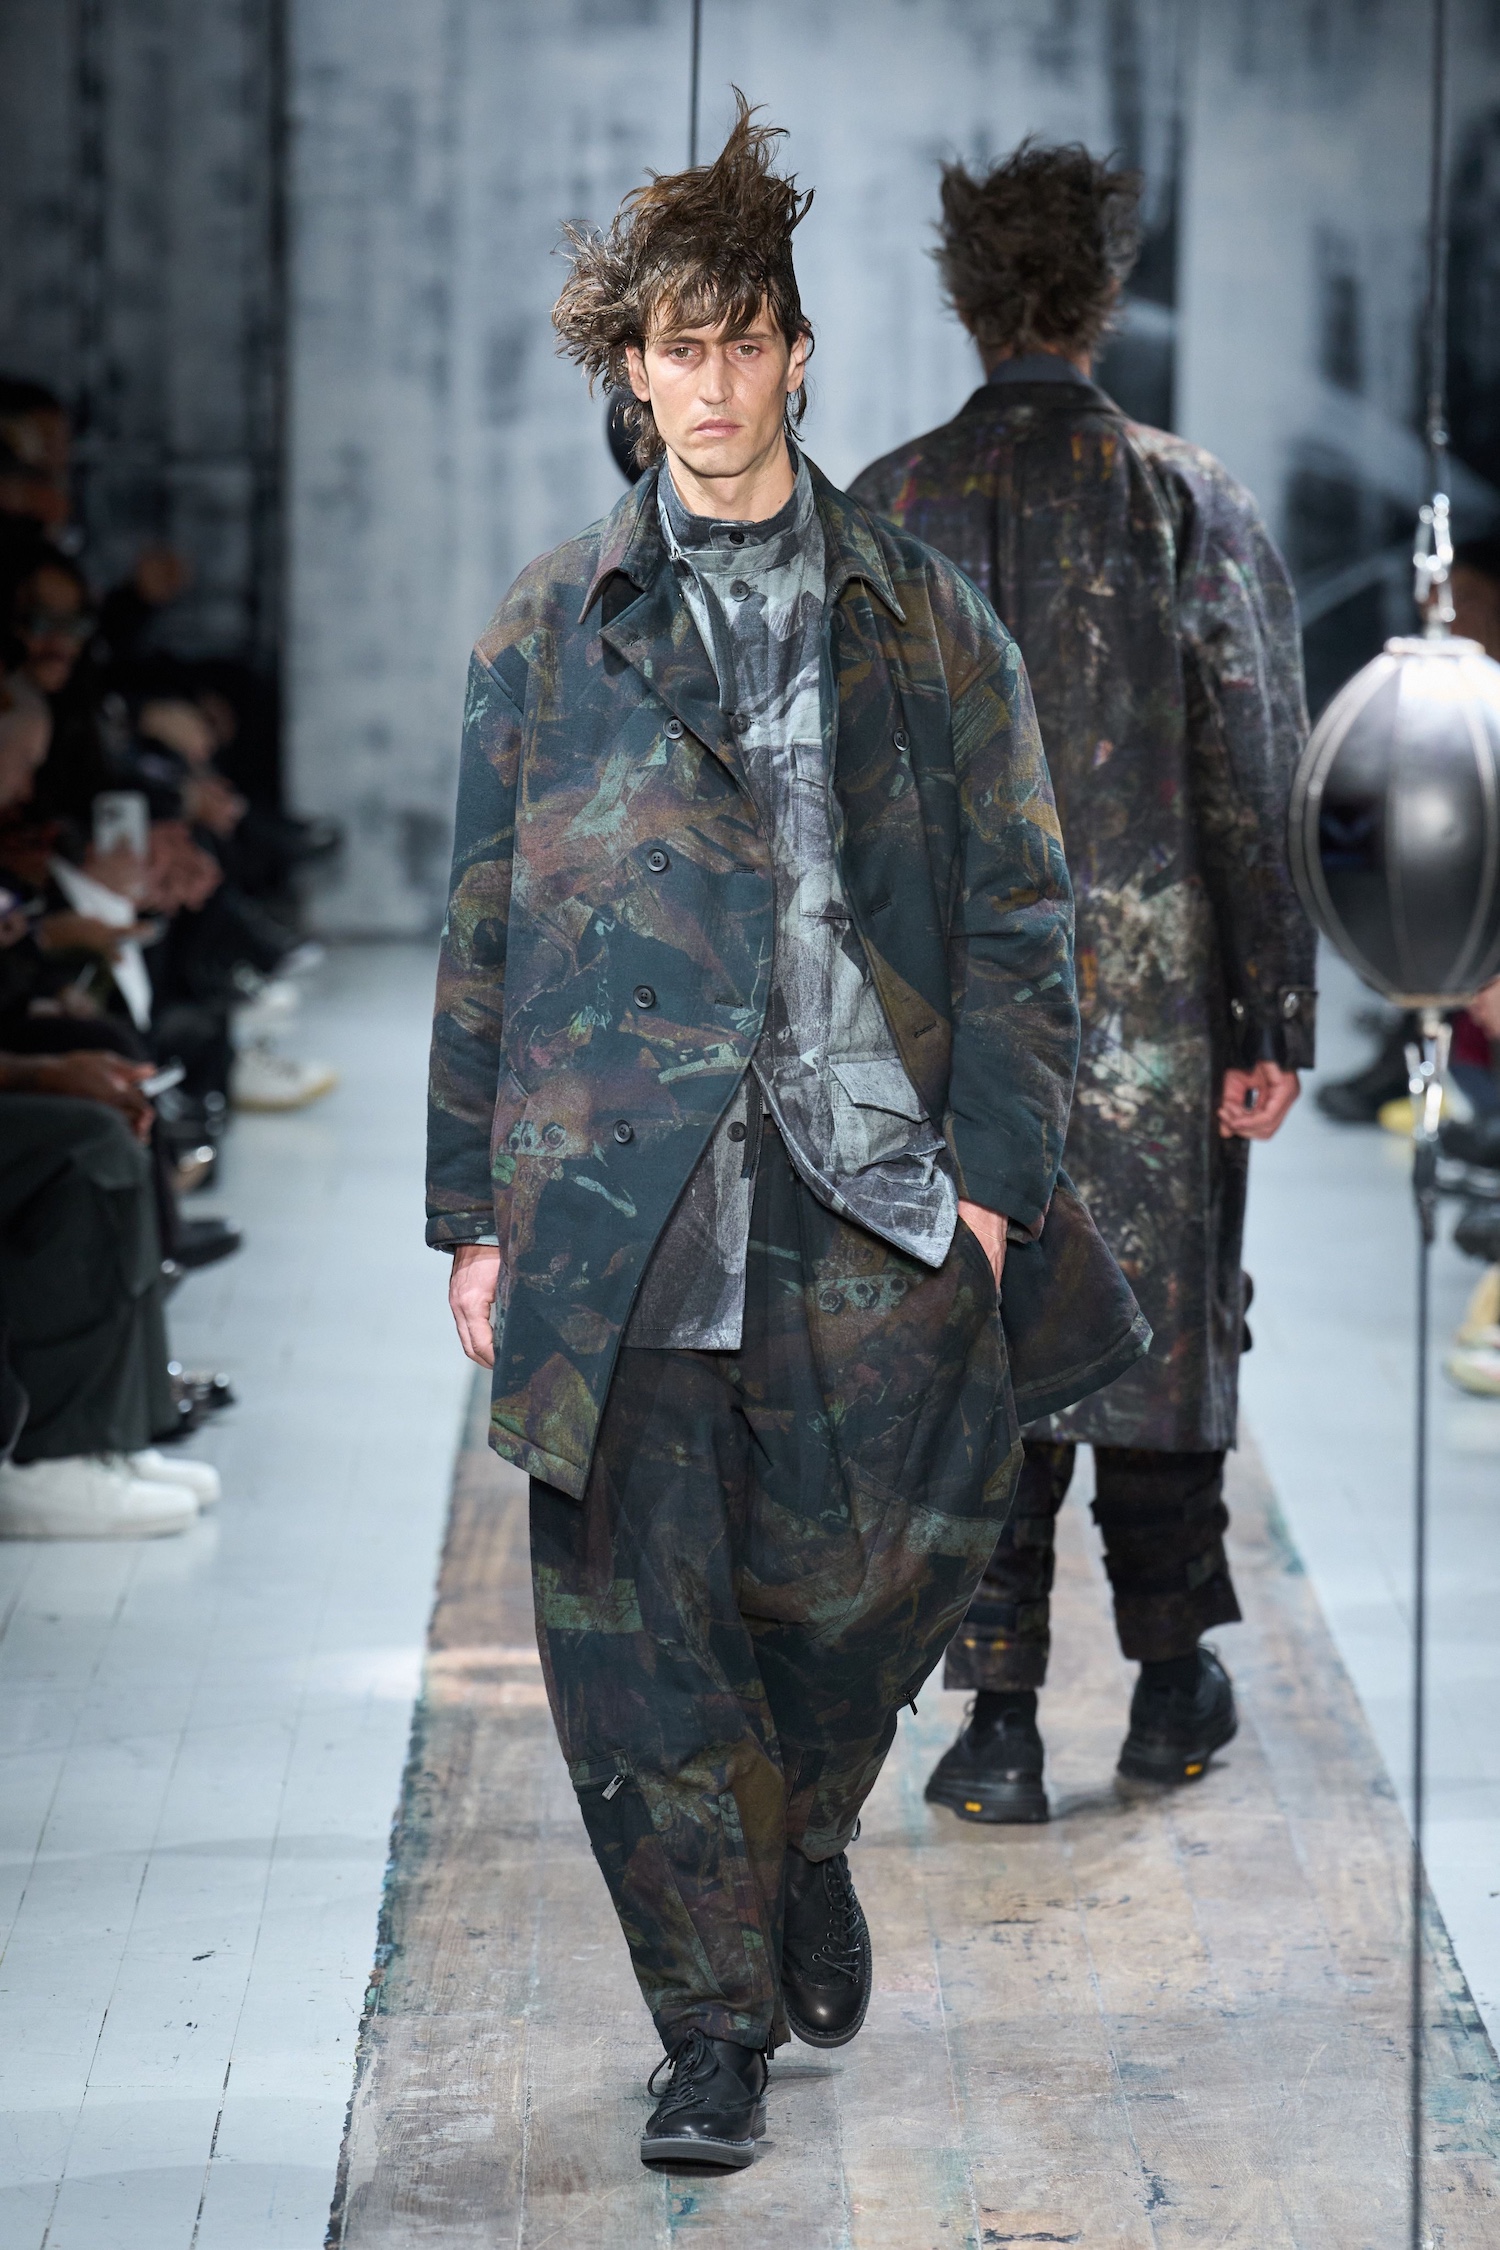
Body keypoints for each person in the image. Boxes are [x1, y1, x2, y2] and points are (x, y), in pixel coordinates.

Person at [427, 102, 1144, 2169]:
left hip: (870, 1186)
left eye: (749, 343)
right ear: (632, 370)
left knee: (880, 1568)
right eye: (682, 349)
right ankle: (712, 2026)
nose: (719, 384)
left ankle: (803, 1822)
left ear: (802, 356)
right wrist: (472, 1210)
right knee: (632, 1638)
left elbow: (1022, 912)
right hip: (626, 1200)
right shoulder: (549, 630)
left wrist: (994, 1189)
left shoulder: (923, 615)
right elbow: (485, 920)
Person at [852, 140, 1316, 1822]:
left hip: (949, 1018)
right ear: (1107, 292)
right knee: (1166, 1329)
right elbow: (1256, 772)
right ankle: (1172, 1686)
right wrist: (1275, 1012)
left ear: (966, 292)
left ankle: (995, 1722)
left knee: (979, 1328)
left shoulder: (888, 506)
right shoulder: (1187, 498)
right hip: (1156, 1008)